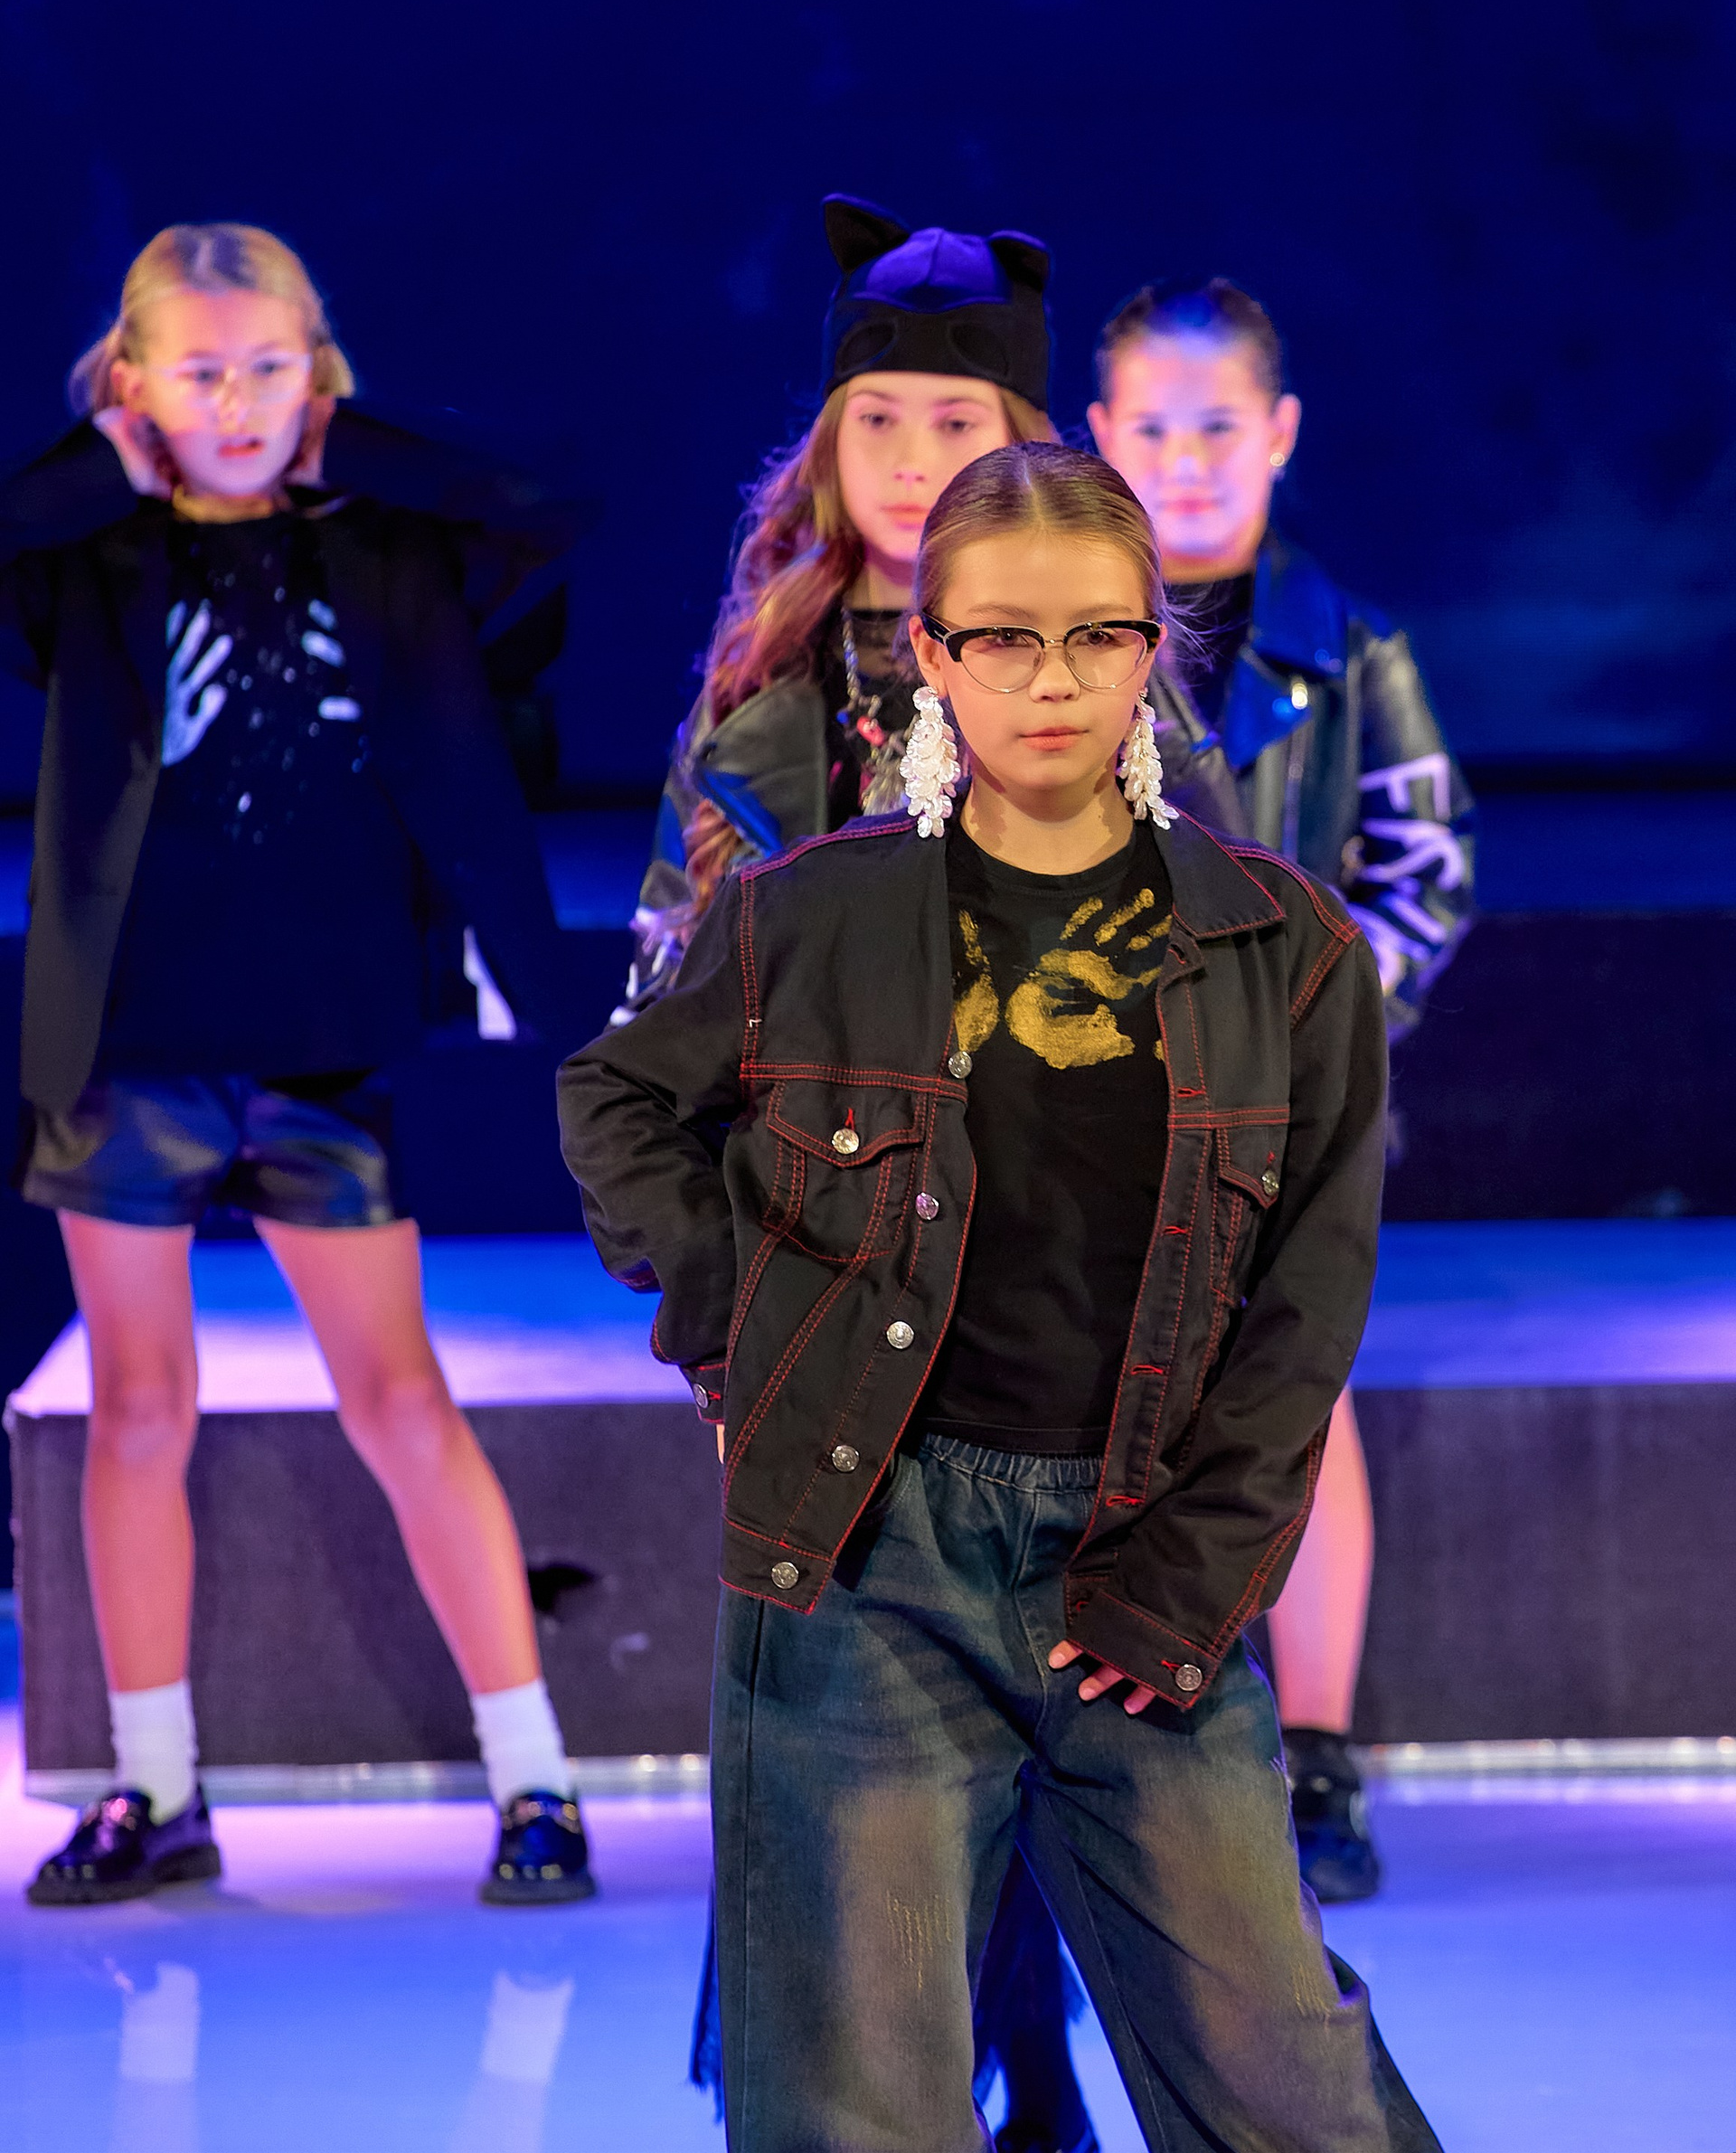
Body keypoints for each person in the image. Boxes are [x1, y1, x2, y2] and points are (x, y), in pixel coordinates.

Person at [559, 440, 1440, 2153]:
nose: (1054, 679)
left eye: (1099, 635)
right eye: (1005, 638)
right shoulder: (811, 916)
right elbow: (617, 1096)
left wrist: (1184, 1583)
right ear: (932, 655)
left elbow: (1305, 1312)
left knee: (1290, 2088)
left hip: (1141, 1558)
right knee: (862, 2106)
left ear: (1154, 647)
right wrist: (739, 1330)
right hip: (867, 1561)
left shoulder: (1289, 951)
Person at [8, 222, 595, 1908]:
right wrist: (98, 467)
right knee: (137, 1406)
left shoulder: (385, 542)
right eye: (200, 371)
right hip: (128, 1040)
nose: (240, 401)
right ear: (132, 384)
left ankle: (535, 1782)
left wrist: (354, 439)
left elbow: (550, 513)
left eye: (271, 365)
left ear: (316, 370)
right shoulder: (88, 556)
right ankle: (156, 1788)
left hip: (321, 1043)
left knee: (399, 1396)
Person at [1088, 275, 1475, 1902]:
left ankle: (1317, 1758)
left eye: (1217, 426)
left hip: (1297, 1112)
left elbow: (1427, 865)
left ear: (1281, 432)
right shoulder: (1069, 628)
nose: (1185, 460)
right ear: (1100, 434)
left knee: (1300, 1400)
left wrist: (1322, 1030)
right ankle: (1121, 1743)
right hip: (1100, 1100)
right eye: (1153, 428)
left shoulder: (1353, 642)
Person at [614, 193, 1058, 1023]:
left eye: (956, 423)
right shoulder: (757, 677)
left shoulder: (1096, 669)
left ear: (1021, 448)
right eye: (877, 418)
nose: (910, 461)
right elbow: (659, 1002)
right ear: (830, 438)